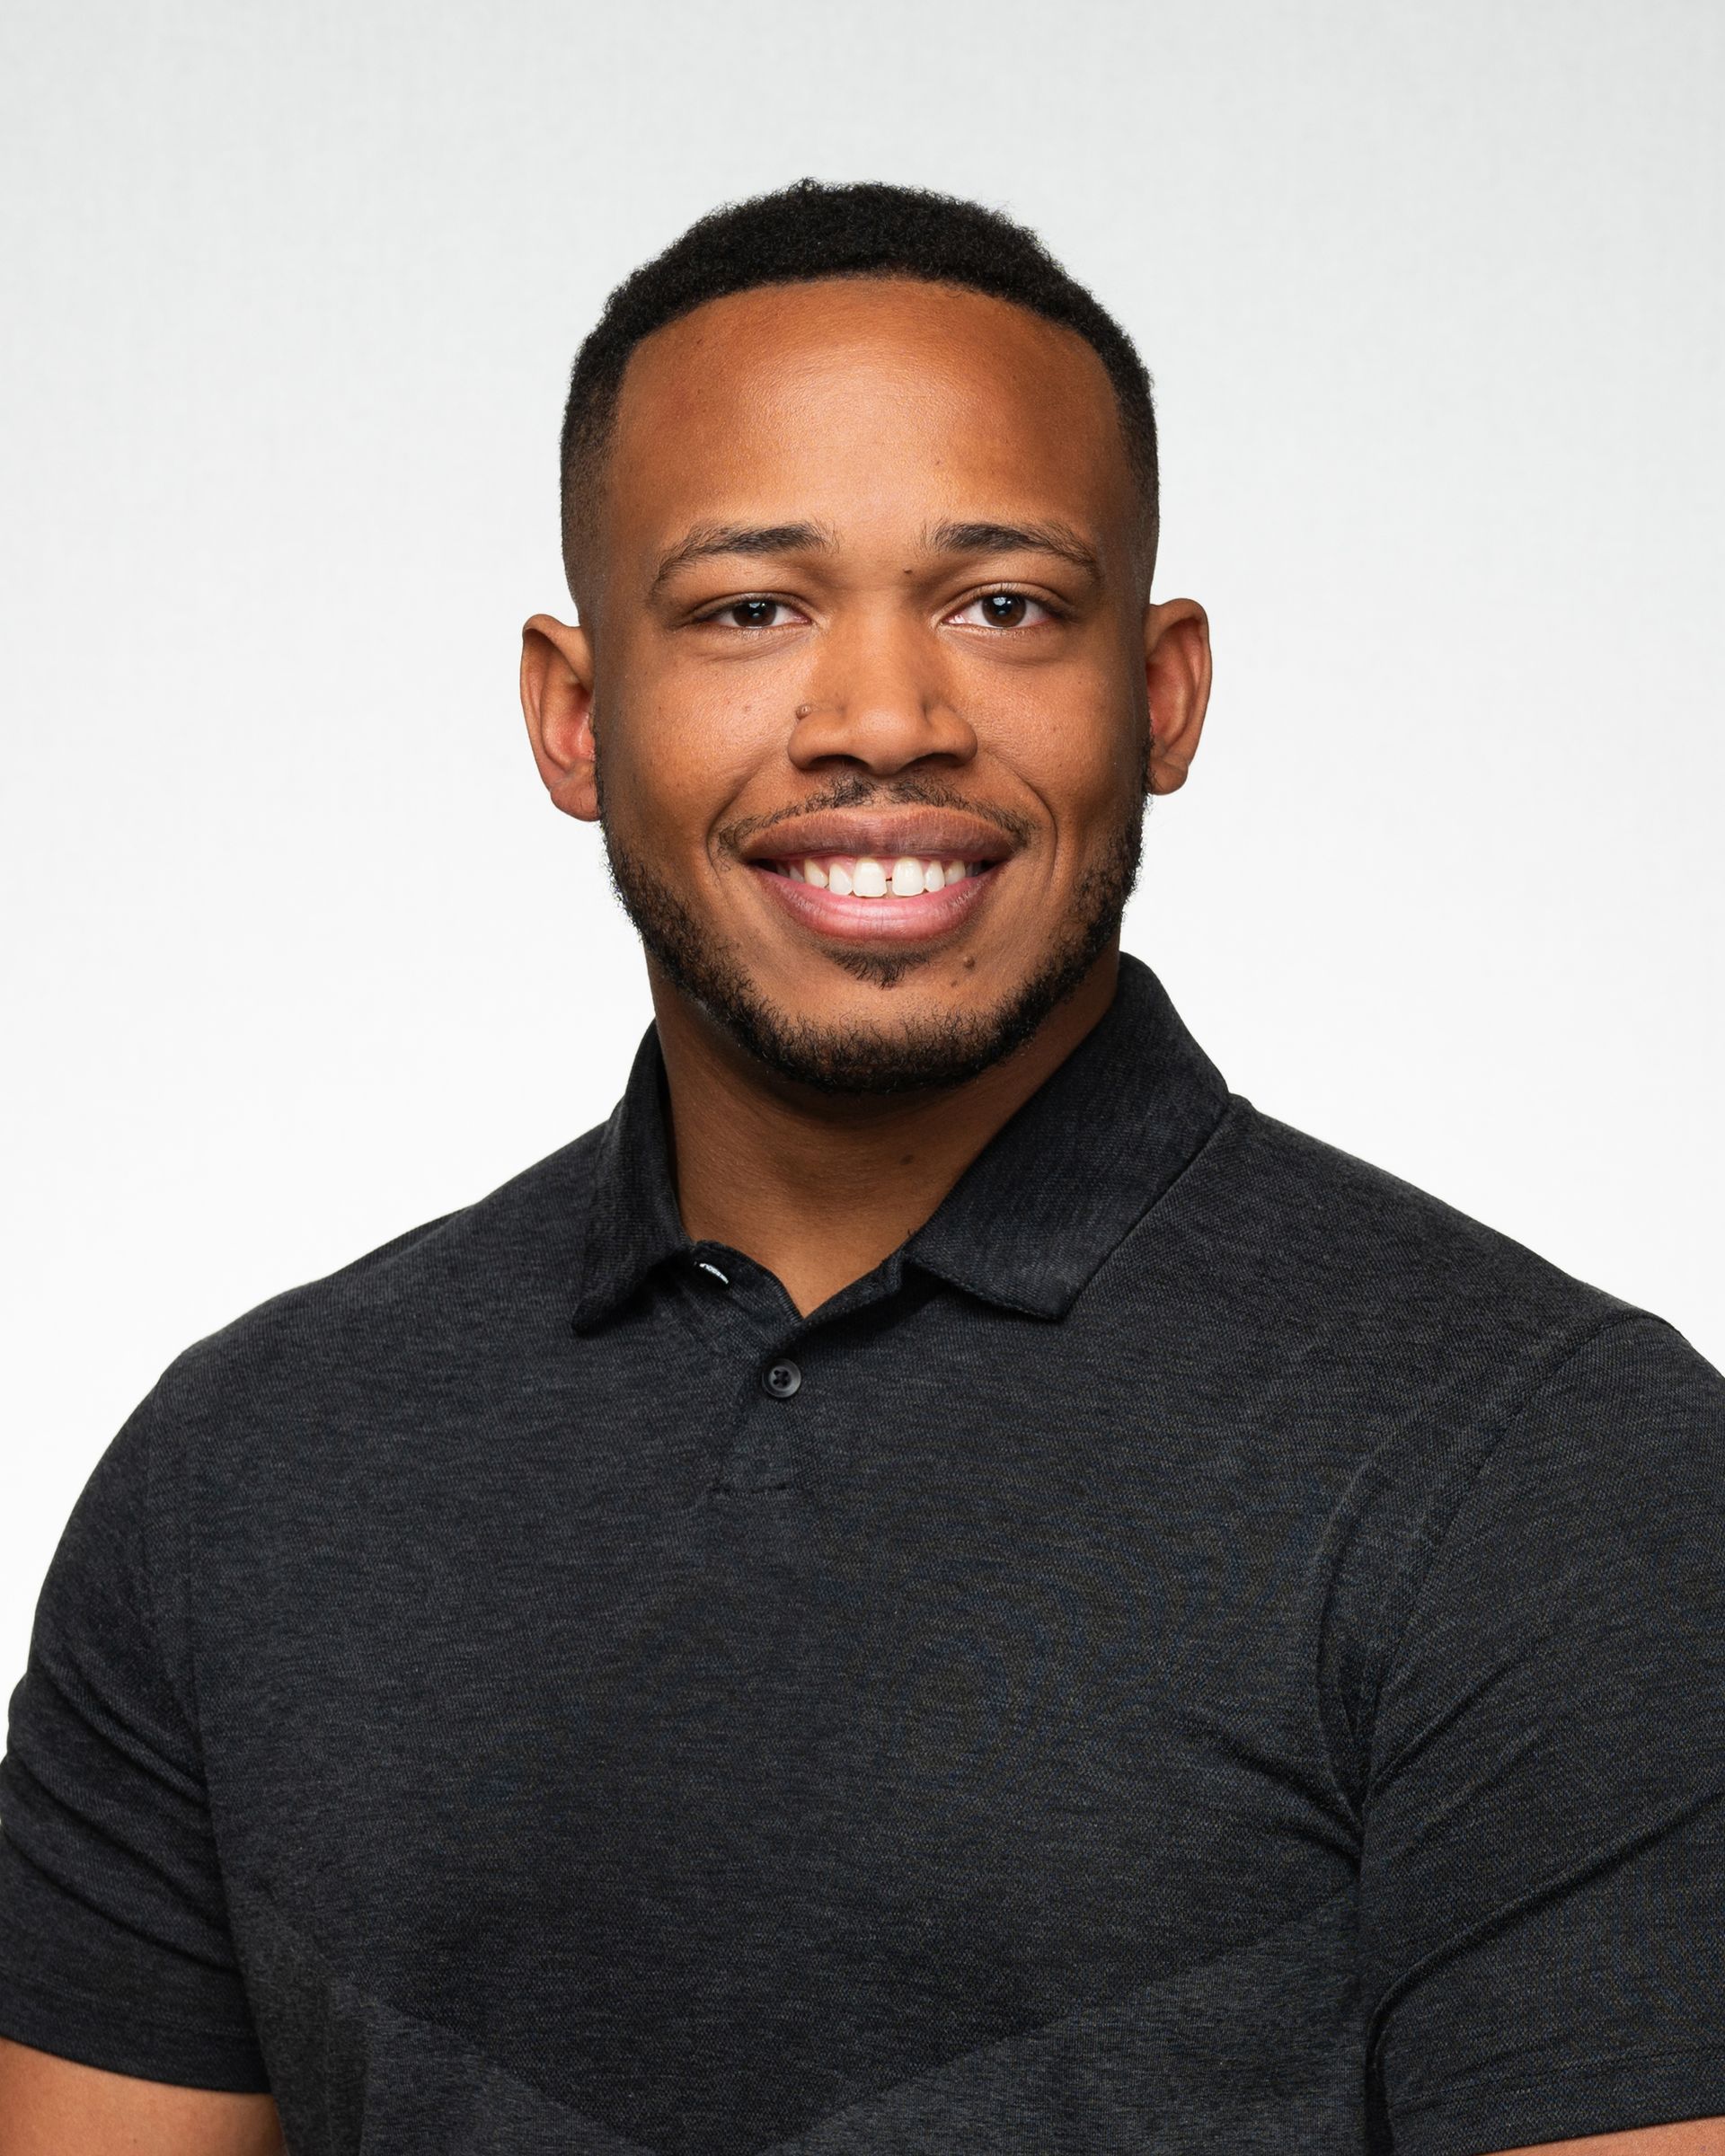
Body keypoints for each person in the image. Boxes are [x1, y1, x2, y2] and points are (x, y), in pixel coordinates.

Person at [0, 179, 1720, 2156]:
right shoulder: (239, 1476)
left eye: (1005, 606)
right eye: (750, 609)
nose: (883, 720)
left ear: (1160, 696)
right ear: (576, 715)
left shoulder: (1555, 1480)